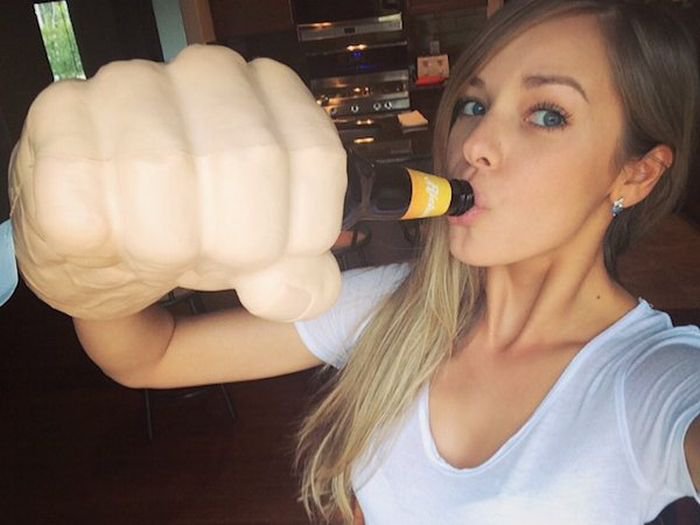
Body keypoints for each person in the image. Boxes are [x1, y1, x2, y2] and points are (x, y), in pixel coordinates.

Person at [15, 0, 700, 523]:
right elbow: (149, 355)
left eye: (547, 114)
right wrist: (96, 271)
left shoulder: (655, 382)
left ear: (636, 174)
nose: (475, 144)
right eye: (473, 103)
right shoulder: (393, 307)